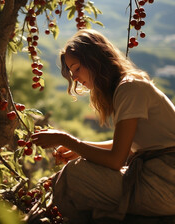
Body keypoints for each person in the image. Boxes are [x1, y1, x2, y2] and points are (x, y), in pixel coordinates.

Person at [31, 29, 175, 223]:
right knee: (77, 169)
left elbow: (116, 159)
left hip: (166, 183)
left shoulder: (129, 89)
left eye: (77, 68)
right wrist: (80, 146)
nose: (74, 77)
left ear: (94, 60)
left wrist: (66, 140)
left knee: (74, 175)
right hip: (159, 177)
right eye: (71, 72)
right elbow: (126, 145)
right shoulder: (126, 87)